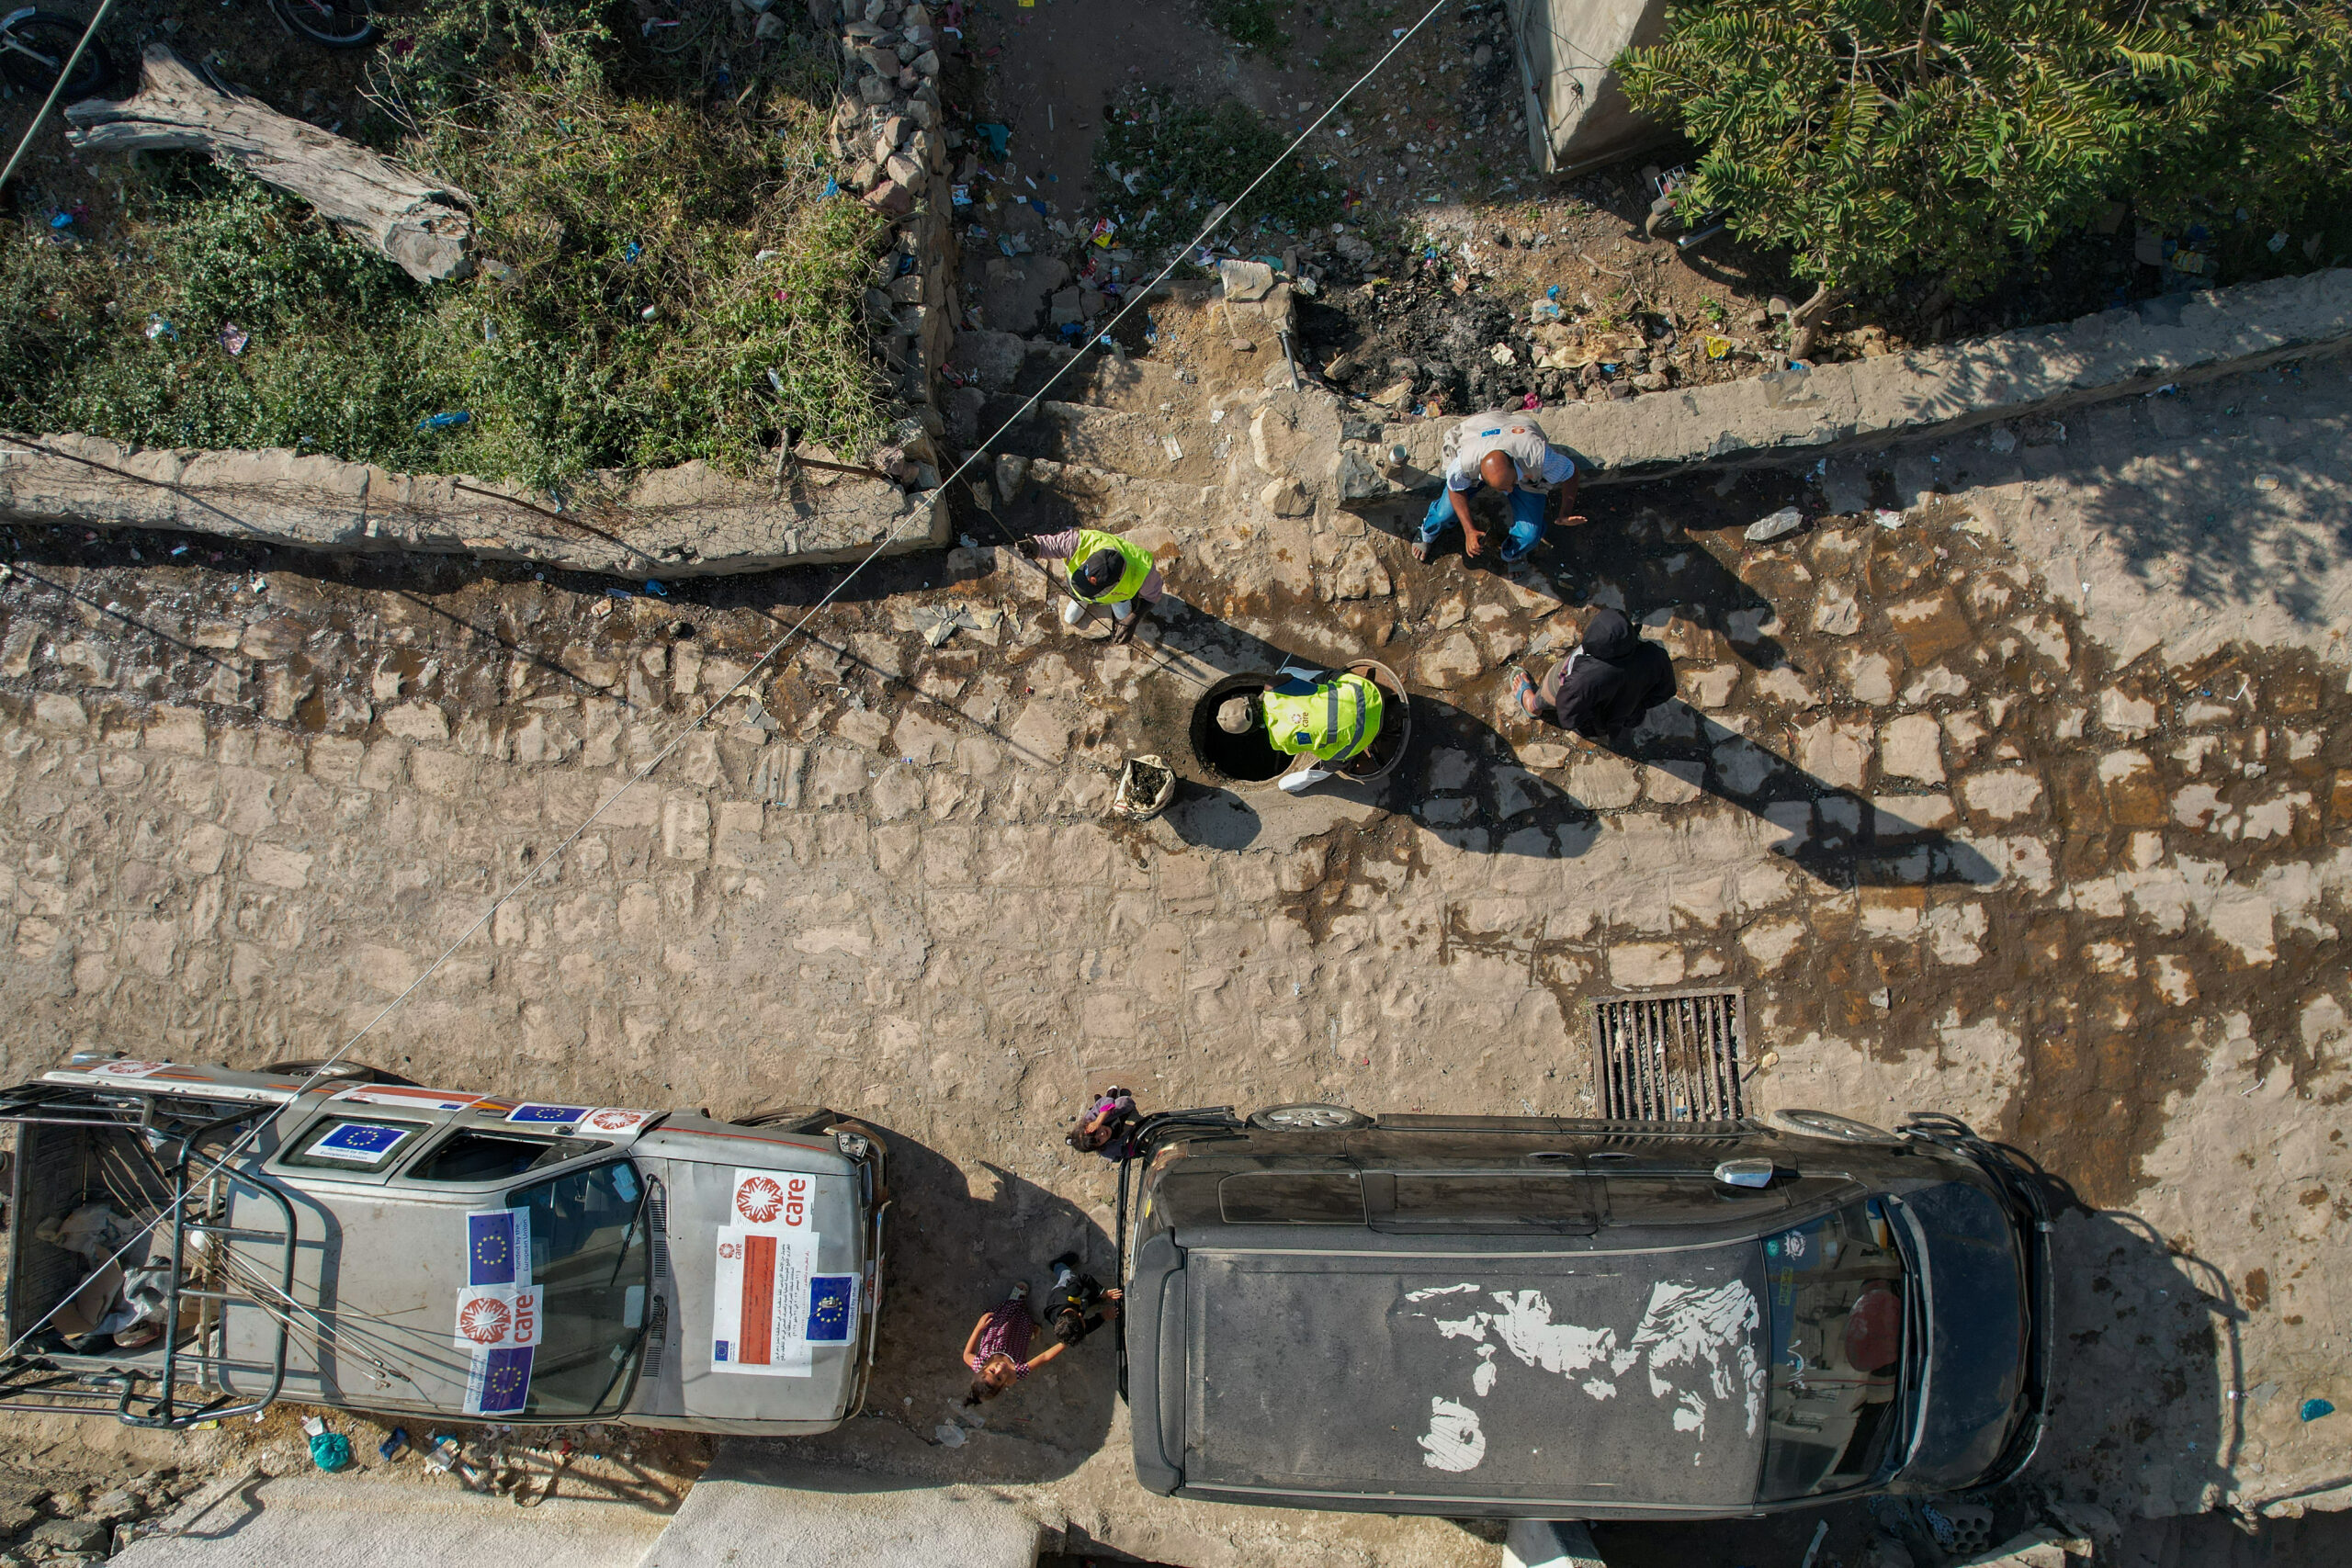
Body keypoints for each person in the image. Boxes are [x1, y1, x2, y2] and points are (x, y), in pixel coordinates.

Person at [1415, 410, 1584, 566]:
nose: (1508, 492)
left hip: (1517, 432)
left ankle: (1512, 553)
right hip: (1481, 429)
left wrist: (1565, 513)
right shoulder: (1465, 462)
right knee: (1444, 513)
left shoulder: (1538, 457)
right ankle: (1427, 531)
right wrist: (1469, 530)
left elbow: (1570, 472)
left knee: (1529, 535)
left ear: (1516, 469)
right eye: (1501, 488)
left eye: (1511, 485)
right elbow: (1455, 488)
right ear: (1481, 476)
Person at [1510, 607, 1675, 739]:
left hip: (1596, 724)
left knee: (1553, 686)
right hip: (1628, 715)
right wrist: (1634, 705)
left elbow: (1568, 718)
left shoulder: (1583, 680)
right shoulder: (1656, 656)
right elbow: (1666, 691)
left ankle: (1533, 705)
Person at [1216, 666, 1384, 795]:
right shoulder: (1274, 686)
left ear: (1249, 731)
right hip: (1365, 693)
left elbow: (1311, 746)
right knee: (1296, 673)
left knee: (1321, 761)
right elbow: (1300, 687)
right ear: (1244, 697)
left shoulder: (1278, 741)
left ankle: (1333, 766)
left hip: (1363, 734)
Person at [1017, 529, 1163, 645]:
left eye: (1092, 589)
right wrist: (1035, 547)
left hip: (1119, 594)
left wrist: (1133, 619)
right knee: (1070, 617)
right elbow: (1049, 544)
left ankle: (1118, 600)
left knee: (1123, 616)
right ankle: (1080, 600)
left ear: (1116, 581)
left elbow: (1152, 596)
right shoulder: (1081, 542)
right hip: (1080, 592)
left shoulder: (1143, 570)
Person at [961, 1281, 1068, 1405]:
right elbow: (1044, 1357)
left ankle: (1015, 1301)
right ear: (1003, 1384)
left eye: (992, 1371)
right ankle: (1029, 1331)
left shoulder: (979, 1363)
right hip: (1018, 1340)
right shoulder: (1016, 1374)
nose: (1000, 1369)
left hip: (999, 1331)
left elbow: (966, 1354)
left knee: (1005, 1316)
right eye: (999, 1378)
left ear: (984, 1368)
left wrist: (978, 1328)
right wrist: (1065, 1342)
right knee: (1024, 1330)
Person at [1044, 1252, 1123, 1347]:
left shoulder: (1071, 1291)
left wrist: (1102, 1292)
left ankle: (1057, 1265)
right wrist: (1103, 1316)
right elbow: (1086, 1328)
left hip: (1061, 1290)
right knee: (1085, 1301)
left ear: (1079, 1314)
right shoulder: (1066, 1326)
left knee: (1067, 1275)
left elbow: (1083, 1278)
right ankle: (1093, 1298)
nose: (1082, 1316)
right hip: (1060, 1302)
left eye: (1082, 1320)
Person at [1066, 1086, 1140, 1159]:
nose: (1102, 1134)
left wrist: (1098, 1121)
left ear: (1089, 1124)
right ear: (1099, 1147)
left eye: (1096, 1131)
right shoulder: (1107, 1150)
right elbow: (1122, 1155)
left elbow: (1106, 1101)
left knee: (1123, 1103)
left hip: (1112, 1115)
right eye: (1098, 1140)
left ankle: (1111, 1095)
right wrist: (1133, 1142)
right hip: (1119, 1131)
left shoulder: (1092, 1118)